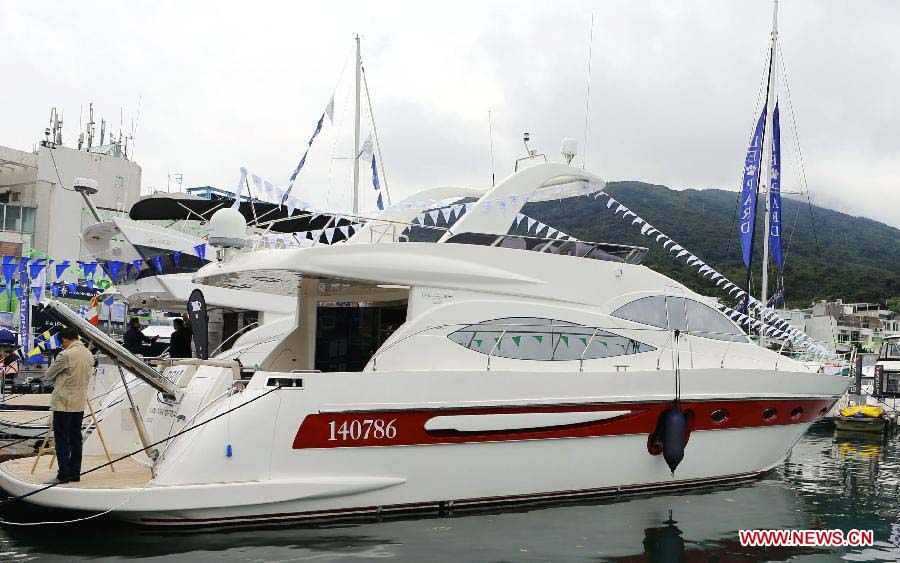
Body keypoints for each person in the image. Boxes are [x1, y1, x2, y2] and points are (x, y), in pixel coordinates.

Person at [42, 327, 95, 484]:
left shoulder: (65, 355)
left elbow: (48, 375)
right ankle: (75, 473)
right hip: (79, 403)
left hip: (63, 403)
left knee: (62, 440)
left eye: (61, 343)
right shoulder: (88, 354)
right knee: (76, 439)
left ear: (65, 340)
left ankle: (63, 475)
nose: (61, 345)